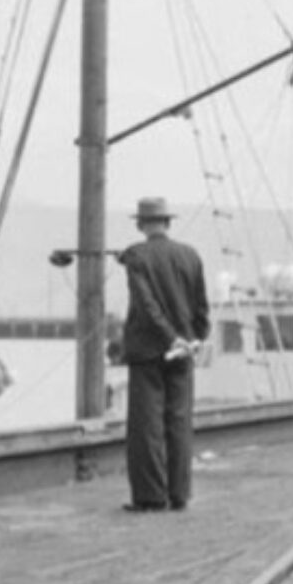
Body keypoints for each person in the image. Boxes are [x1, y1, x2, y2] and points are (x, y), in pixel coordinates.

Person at [116, 196, 210, 512]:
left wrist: (170, 338)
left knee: (147, 426)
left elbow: (146, 305)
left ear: (141, 224)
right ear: (168, 222)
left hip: (148, 351)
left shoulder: (137, 257)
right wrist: (193, 339)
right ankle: (180, 493)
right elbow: (201, 308)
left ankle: (151, 496)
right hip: (184, 351)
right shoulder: (190, 256)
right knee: (180, 422)